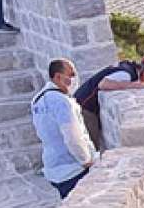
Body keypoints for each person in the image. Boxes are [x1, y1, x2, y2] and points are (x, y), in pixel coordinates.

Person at [32, 59, 97, 199]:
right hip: (72, 169)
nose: (74, 79)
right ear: (58, 77)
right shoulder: (62, 102)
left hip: (54, 166)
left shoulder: (38, 99)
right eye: (71, 75)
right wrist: (86, 160)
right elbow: (72, 136)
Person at [74, 54, 144, 148]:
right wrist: (131, 85)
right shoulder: (127, 74)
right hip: (85, 107)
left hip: (82, 101)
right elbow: (103, 84)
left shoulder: (128, 67)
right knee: (92, 145)